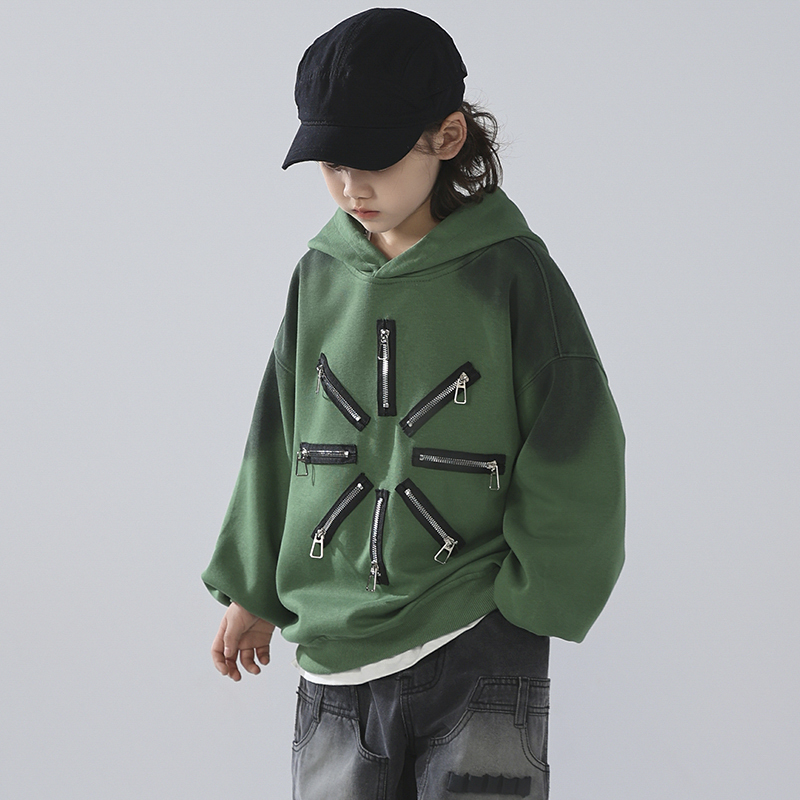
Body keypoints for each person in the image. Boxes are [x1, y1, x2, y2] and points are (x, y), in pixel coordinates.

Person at [202, 9, 625, 799]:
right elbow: (282, 431)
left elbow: (577, 432)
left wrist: (532, 600)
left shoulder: (509, 274)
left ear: (448, 137)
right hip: (335, 653)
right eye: (333, 163)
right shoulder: (320, 276)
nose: (351, 186)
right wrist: (253, 588)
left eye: (375, 158)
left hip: (477, 639)